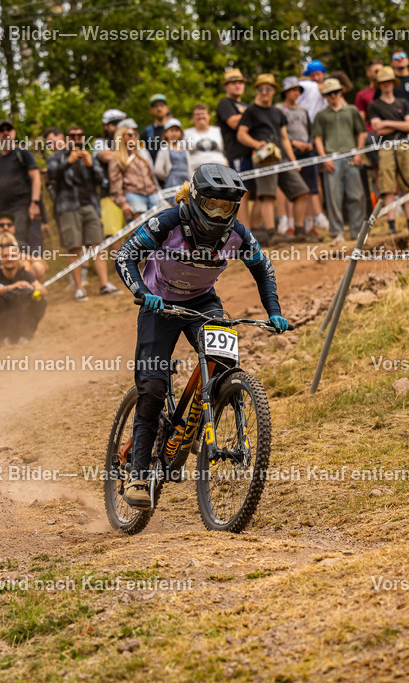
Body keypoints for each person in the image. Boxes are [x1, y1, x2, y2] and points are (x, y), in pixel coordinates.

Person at [113, 164, 288, 507]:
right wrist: (140, 290)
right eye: (212, 204)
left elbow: (263, 269)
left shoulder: (237, 233)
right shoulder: (167, 223)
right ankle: (137, 473)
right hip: (158, 302)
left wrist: (275, 312)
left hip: (202, 301)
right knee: (152, 388)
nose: (220, 213)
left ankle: (202, 415)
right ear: (194, 199)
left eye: (227, 206)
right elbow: (126, 255)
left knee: (223, 360)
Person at [46, 126, 120, 300]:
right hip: (67, 207)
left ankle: (104, 284)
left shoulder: (89, 156)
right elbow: (51, 175)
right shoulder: (56, 157)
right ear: (66, 138)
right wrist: (69, 162)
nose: (77, 138)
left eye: (80, 135)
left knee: (97, 245)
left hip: (89, 206)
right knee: (74, 247)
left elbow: (102, 181)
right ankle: (79, 288)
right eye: (73, 135)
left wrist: (90, 165)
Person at [237, 73, 310, 236]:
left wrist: (293, 161)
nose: (264, 92)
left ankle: (299, 232)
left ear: (273, 91)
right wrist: (256, 144)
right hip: (264, 158)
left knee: (302, 191)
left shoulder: (277, 112)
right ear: (257, 90)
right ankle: (271, 234)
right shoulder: (251, 111)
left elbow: (285, 138)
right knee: (268, 195)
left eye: (268, 89)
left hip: (282, 157)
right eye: (261, 89)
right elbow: (241, 134)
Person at [312, 78, 367, 241]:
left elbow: (362, 132)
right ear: (325, 96)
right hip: (331, 159)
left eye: (335, 92)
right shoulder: (321, 115)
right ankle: (337, 232)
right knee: (333, 198)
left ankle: (357, 232)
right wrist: (324, 158)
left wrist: (359, 154)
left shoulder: (351, 110)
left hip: (351, 157)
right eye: (329, 94)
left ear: (341, 92)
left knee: (356, 196)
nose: (333, 96)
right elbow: (318, 138)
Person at [369, 66, 409, 234]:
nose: (386, 85)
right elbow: (378, 130)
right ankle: (392, 227)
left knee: (408, 182)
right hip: (386, 146)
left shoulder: (403, 103)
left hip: (404, 145)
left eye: (388, 81)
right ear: (379, 84)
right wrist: (400, 126)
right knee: (388, 187)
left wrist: (387, 123)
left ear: (393, 82)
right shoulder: (374, 106)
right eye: (383, 82)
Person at [277, 76, 327, 237]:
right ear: (285, 92)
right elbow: (279, 134)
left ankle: (309, 225)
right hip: (289, 155)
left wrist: (310, 143)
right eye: (292, 90)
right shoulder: (279, 109)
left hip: (307, 153)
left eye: (298, 90)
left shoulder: (303, 109)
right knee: (291, 191)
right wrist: (293, 143)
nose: (296, 93)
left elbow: (310, 130)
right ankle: (291, 225)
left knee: (311, 190)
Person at [0, 119, 43, 255]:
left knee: (19, 243)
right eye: (2, 130)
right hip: (3, 211)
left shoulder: (22, 153)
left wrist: (34, 203)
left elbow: (36, 177)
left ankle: (28, 274)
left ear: (13, 132)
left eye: (8, 129)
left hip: (22, 208)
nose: (5, 133)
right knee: (1, 245)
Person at [0, 243, 47, 345]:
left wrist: (32, 287)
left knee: (40, 301)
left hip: (22, 317)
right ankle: (3, 338)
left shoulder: (25, 274)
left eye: (13, 256)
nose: (9, 259)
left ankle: (26, 335)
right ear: (0, 260)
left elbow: (43, 291)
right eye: (5, 256)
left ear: (18, 258)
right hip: (4, 317)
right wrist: (14, 286)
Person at [216, 69, 252, 226]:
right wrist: (254, 116)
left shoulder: (246, 106)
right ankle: (246, 231)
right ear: (226, 86)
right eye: (233, 82)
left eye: (240, 82)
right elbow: (233, 122)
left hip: (252, 153)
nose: (237, 85)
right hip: (236, 155)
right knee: (240, 194)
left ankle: (254, 231)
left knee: (254, 194)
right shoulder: (225, 103)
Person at [109, 121, 161, 222]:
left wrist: (158, 193)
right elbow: (115, 184)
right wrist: (123, 204)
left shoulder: (143, 153)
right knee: (140, 230)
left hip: (152, 194)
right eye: (129, 134)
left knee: (160, 226)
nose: (133, 136)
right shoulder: (117, 157)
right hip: (134, 196)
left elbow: (152, 177)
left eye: (135, 134)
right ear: (121, 137)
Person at [184, 104, 228, 172]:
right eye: (198, 114)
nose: (201, 116)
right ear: (193, 117)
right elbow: (181, 155)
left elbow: (228, 151)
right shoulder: (186, 133)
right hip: (196, 172)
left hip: (221, 170)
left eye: (203, 114)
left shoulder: (219, 131)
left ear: (209, 116)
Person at [154, 118, 191, 194]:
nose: (174, 133)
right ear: (165, 133)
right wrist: (167, 177)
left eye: (176, 131)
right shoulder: (164, 149)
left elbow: (189, 168)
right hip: (172, 184)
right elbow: (158, 169)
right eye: (171, 131)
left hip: (186, 183)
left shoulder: (184, 150)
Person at [141, 94, 171, 164]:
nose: (159, 108)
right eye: (156, 106)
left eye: (161, 105)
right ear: (151, 110)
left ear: (166, 108)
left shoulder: (174, 130)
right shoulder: (146, 132)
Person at [355, 60, 383, 129]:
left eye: (382, 71)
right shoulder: (362, 95)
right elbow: (360, 121)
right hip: (372, 134)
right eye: (377, 71)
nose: (380, 73)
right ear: (368, 73)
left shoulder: (391, 91)